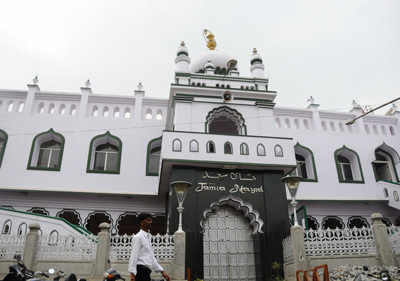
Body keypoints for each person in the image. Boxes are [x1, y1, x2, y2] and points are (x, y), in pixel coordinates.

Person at [128, 213, 170, 281]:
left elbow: (151, 257)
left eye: (151, 220)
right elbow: (134, 255)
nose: (150, 222)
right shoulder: (138, 237)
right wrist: (132, 273)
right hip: (140, 271)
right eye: (148, 220)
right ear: (141, 222)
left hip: (147, 271)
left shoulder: (148, 237)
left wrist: (162, 272)